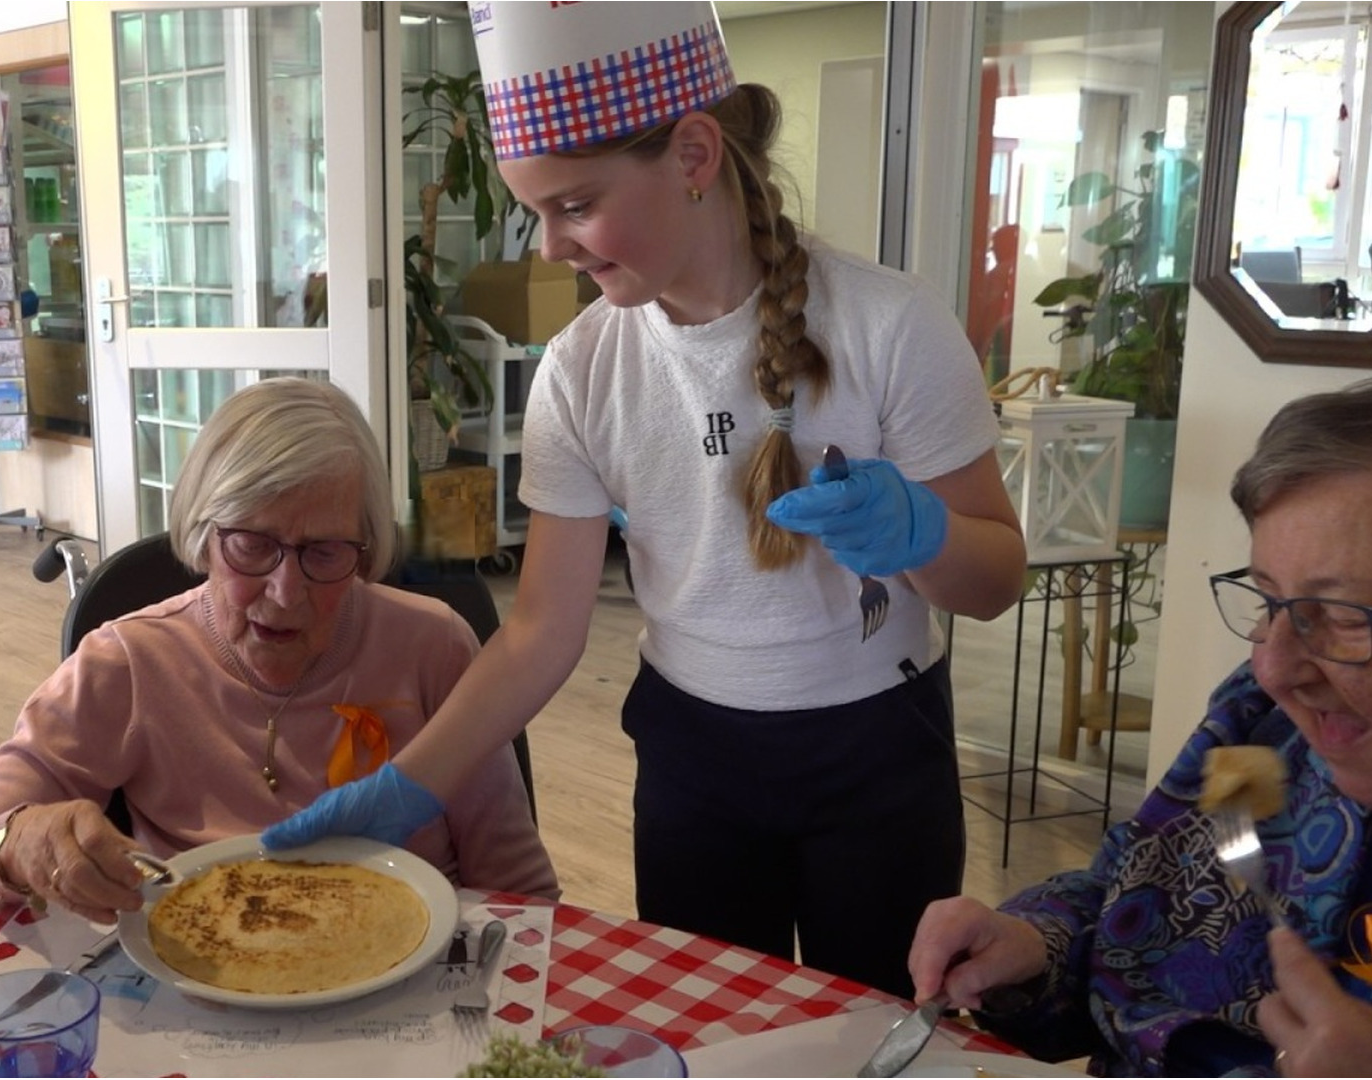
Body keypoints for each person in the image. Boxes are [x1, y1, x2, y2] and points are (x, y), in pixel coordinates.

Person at [266, 2, 1024, 999]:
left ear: (695, 155)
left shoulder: (890, 327)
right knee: (710, 1036)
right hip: (695, 767)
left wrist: (920, 531)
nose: (549, 249)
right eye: (535, 211)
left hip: (880, 762)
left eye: (575, 206)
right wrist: (412, 782)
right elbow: (541, 631)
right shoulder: (583, 375)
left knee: (879, 1031)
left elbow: (994, 580)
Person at [0, 377, 557, 921]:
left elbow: (518, 886)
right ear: (202, 530)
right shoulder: (127, 665)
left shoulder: (432, 645)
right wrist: (13, 840)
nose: (283, 593)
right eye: (251, 544)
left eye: (324, 552)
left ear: (365, 550)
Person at [906, 372, 1372, 1077]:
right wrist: (1033, 943)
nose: (1274, 668)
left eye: (1343, 617)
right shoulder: (1260, 732)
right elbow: (1137, 896)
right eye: (1268, 601)